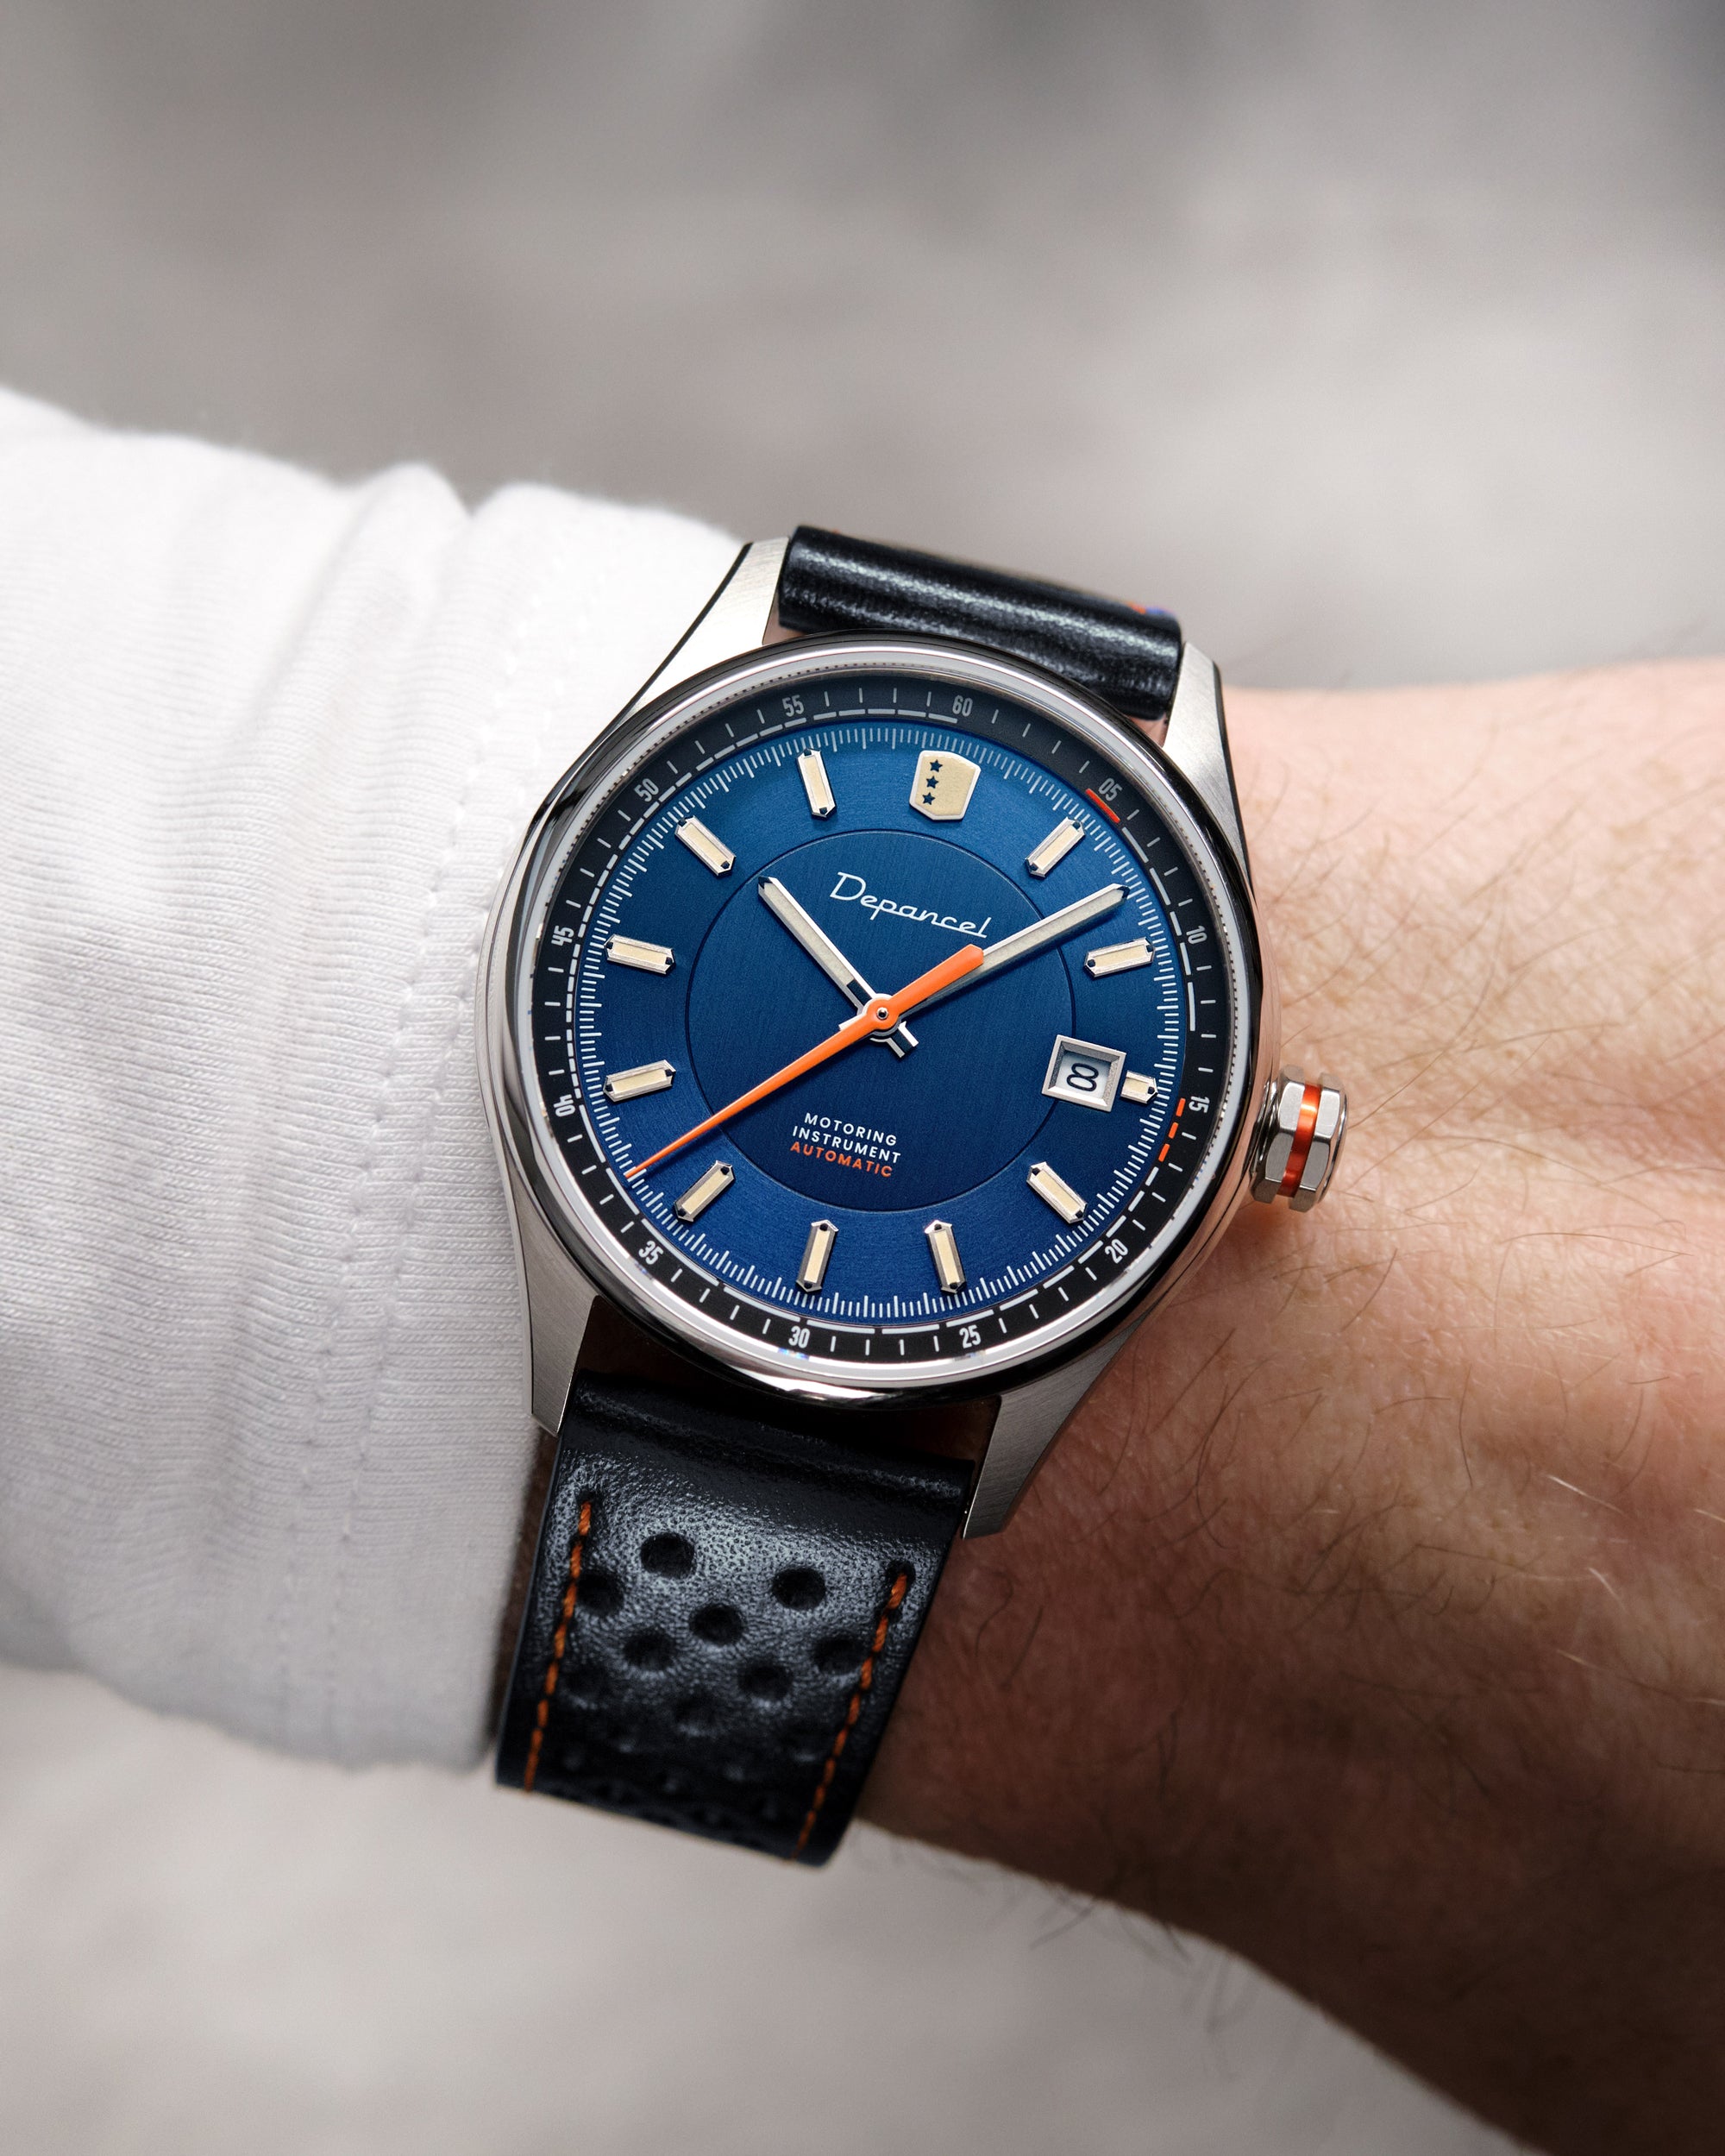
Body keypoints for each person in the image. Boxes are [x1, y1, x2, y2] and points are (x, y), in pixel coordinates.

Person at [0, 386, 1718, 2155]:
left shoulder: (1113, 1092)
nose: (884, 1018)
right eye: (869, 997)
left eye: (900, 1006)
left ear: (1269, 1136)